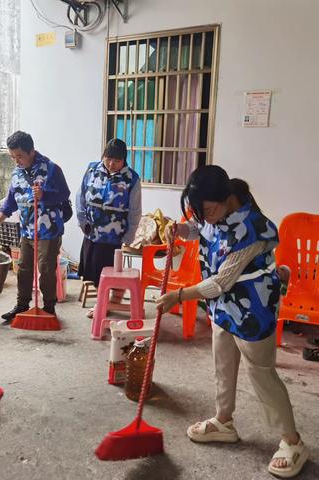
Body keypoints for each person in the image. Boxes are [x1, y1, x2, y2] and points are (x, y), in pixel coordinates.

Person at [156, 165, 308, 478]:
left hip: (253, 309)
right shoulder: (216, 214)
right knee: (222, 365)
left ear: (227, 199)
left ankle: (292, 442)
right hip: (223, 309)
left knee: (261, 374)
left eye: (207, 209)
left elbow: (221, 281)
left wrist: (179, 296)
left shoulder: (253, 229)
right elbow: (205, 230)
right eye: (199, 211)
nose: (204, 216)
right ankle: (223, 422)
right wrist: (182, 230)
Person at [0, 131, 71, 325]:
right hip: (26, 229)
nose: (16, 161)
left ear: (31, 151)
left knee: (45, 268)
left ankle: (49, 307)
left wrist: (44, 195)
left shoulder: (51, 169)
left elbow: (64, 194)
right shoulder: (17, 172)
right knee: (23, 268)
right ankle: (22, 305)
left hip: (48, 230)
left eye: (19, 156)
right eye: (12, 157)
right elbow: (10, 201)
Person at [76, 138, 142, 318]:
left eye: (117, 161)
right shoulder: (92, 170)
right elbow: (80, 196)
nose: (111, 164)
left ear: (124, 160)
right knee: (96, 273)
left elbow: (135, 211)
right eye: (108, 159)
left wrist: (129, 236)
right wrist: (82, 221)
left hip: (115, 237)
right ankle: (102, 303)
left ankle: (109, 303)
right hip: (92, 233)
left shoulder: (131, 179)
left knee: (115, 273)